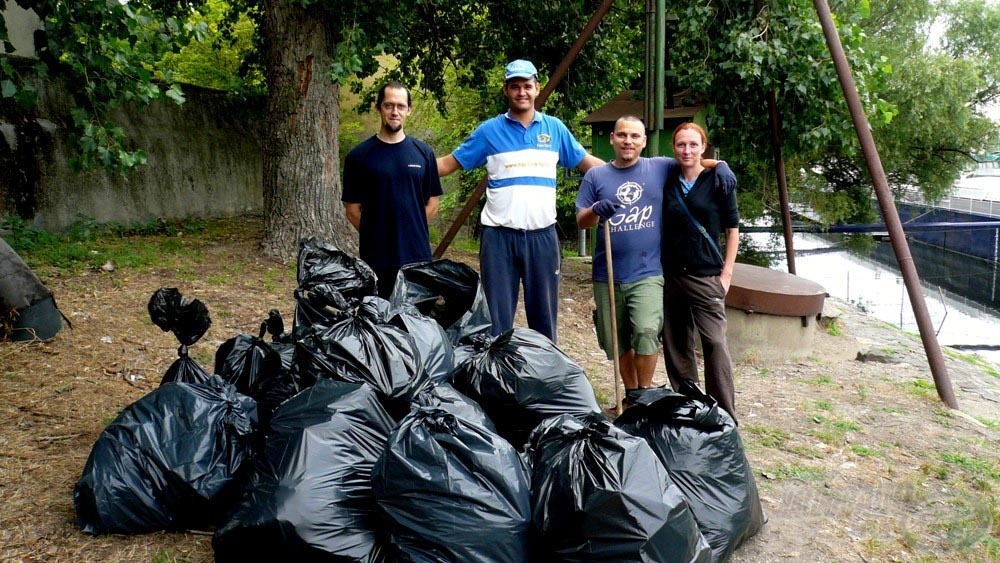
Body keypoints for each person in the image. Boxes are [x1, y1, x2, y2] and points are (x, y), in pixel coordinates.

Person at [437, 59, 604, 343]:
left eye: (527, 86)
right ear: (506, 90)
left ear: (537, 89)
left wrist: (633, 176)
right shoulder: (489, 131)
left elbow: (591, 166)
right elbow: (446, 165)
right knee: (496, 321)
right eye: (515, 86)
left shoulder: (555, 129)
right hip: (499, 239)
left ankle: (544, 377)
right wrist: (405, 163)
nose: (521, 92)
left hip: (542, 238)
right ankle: (497, 379)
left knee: (544, 320)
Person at [576, 115, 734, 404]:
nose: (628, 141)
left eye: (635, 136)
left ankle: (644, 396)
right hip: (608, 273)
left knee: (647, 332)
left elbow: (692, 160)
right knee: (617, 340)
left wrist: (720, 165)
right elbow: (582, 221)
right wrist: (598, 209)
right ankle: (631, 394)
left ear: (644, 142)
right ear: (612, 138)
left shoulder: (658, 167)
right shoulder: (596, 177)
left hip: (648, 272)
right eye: (622, 135)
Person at [660, 121, 740, 421]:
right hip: (671, 273)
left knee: (715, 342)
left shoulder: (719, 181)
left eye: (693, 144)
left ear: (703, 146)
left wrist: (727, 274)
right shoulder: (667, 177)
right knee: (676, 342)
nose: (687, 150)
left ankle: (724, 413)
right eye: (681, 144)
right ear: (674, 148)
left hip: (707, 275)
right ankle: (688, 403)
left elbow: (733, 229)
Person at [342, 82, 442, 298]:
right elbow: (352, 211)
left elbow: (433, 203)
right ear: (378, 108)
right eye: (388, 105)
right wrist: (377, 234)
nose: (394, 112)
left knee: (416, 323)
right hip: (376, 259)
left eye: (400, 106)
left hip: (416, 257)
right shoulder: (358, 157)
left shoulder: (424, 153)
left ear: (409, 110)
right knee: (379, 323)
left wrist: (408, 231)